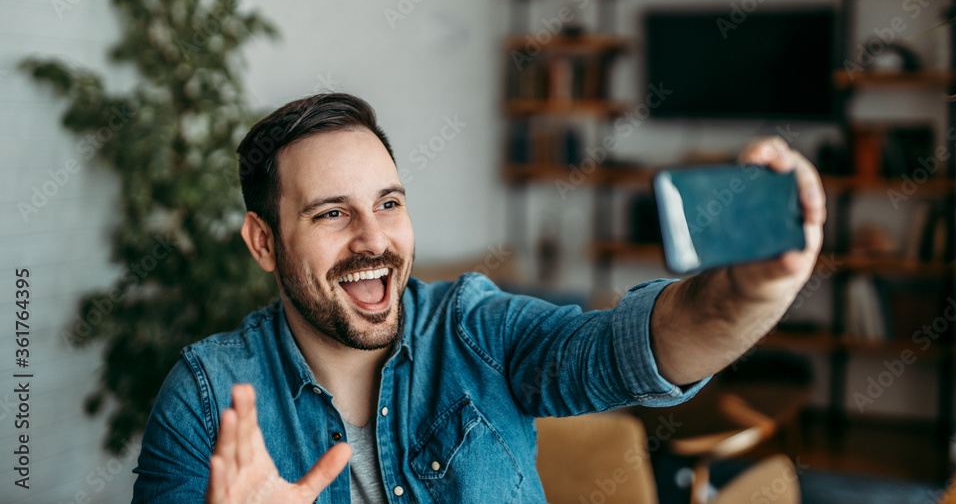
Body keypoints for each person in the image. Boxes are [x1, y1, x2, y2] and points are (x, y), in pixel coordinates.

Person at [131, 92, 825, 503]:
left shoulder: (476, 328)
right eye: (332, 214)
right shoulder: (206, 399)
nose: (375, 239)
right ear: (263, 242)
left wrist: (756, 286)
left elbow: (639, 348)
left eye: (389, 202)